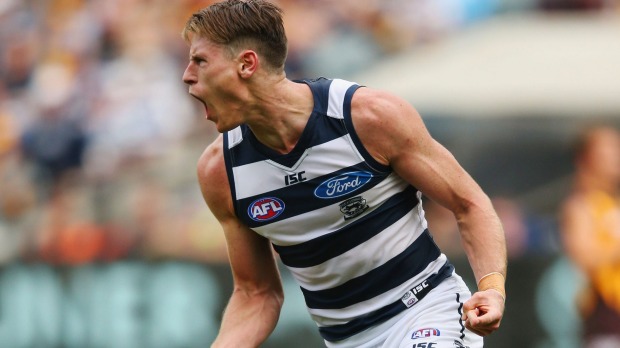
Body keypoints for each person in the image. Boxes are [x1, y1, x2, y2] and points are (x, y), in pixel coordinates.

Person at [181, 1, 507, 347]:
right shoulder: (220, 171)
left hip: (425, 309)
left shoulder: (367, 118)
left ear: (247, 63)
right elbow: (256, 293)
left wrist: (492, 288)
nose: (187, 74)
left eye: (200, 61)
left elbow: (468, 203)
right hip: (344, 340)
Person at [560, 126, 620, 347]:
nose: (616, 156)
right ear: (586, 158)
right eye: (609, 149)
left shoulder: (611, 203)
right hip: (606, 320)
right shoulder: (581, 206)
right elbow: (584, 257)